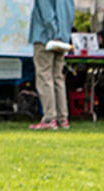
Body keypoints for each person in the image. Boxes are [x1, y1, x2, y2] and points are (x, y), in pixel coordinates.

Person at [27, 0, 72, 130]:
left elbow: (47, 14)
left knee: (44, 76)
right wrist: (63, 36)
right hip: (63, 38)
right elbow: (69, 14)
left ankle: (49, 118)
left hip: (45, 37)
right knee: (57, 77)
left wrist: (53, 34)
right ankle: (62, 118)